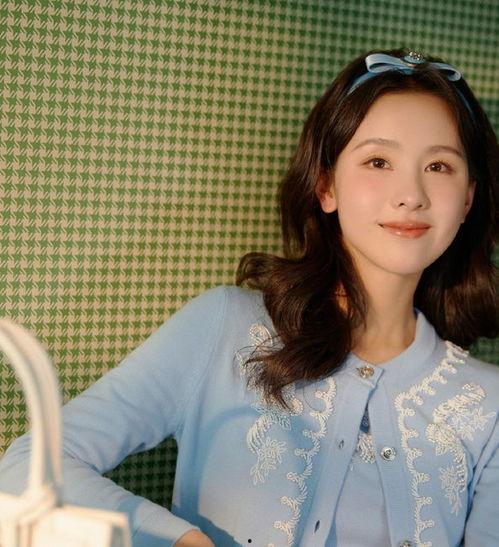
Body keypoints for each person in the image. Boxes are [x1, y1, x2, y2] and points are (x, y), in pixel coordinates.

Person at [0, 47, 498, 547]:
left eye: (439, 166)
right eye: (378, 161)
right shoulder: (223, 327)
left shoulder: (490, 404)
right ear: (326, 186)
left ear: (468, 199)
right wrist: (181, 542)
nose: (411, 194)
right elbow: (28, 469)